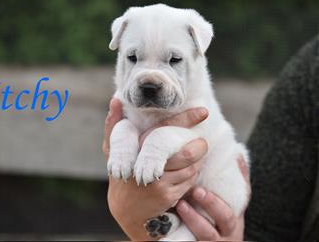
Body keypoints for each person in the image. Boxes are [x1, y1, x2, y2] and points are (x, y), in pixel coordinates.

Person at [102, 35, 319, 241]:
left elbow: (193, 138)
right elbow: (262, 230)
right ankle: (179, 226)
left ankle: (184, 232)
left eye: (174, 60)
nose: (150, 79)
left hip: (209, 194)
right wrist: (130, 216)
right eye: (133, 58)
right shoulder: (310, 71)